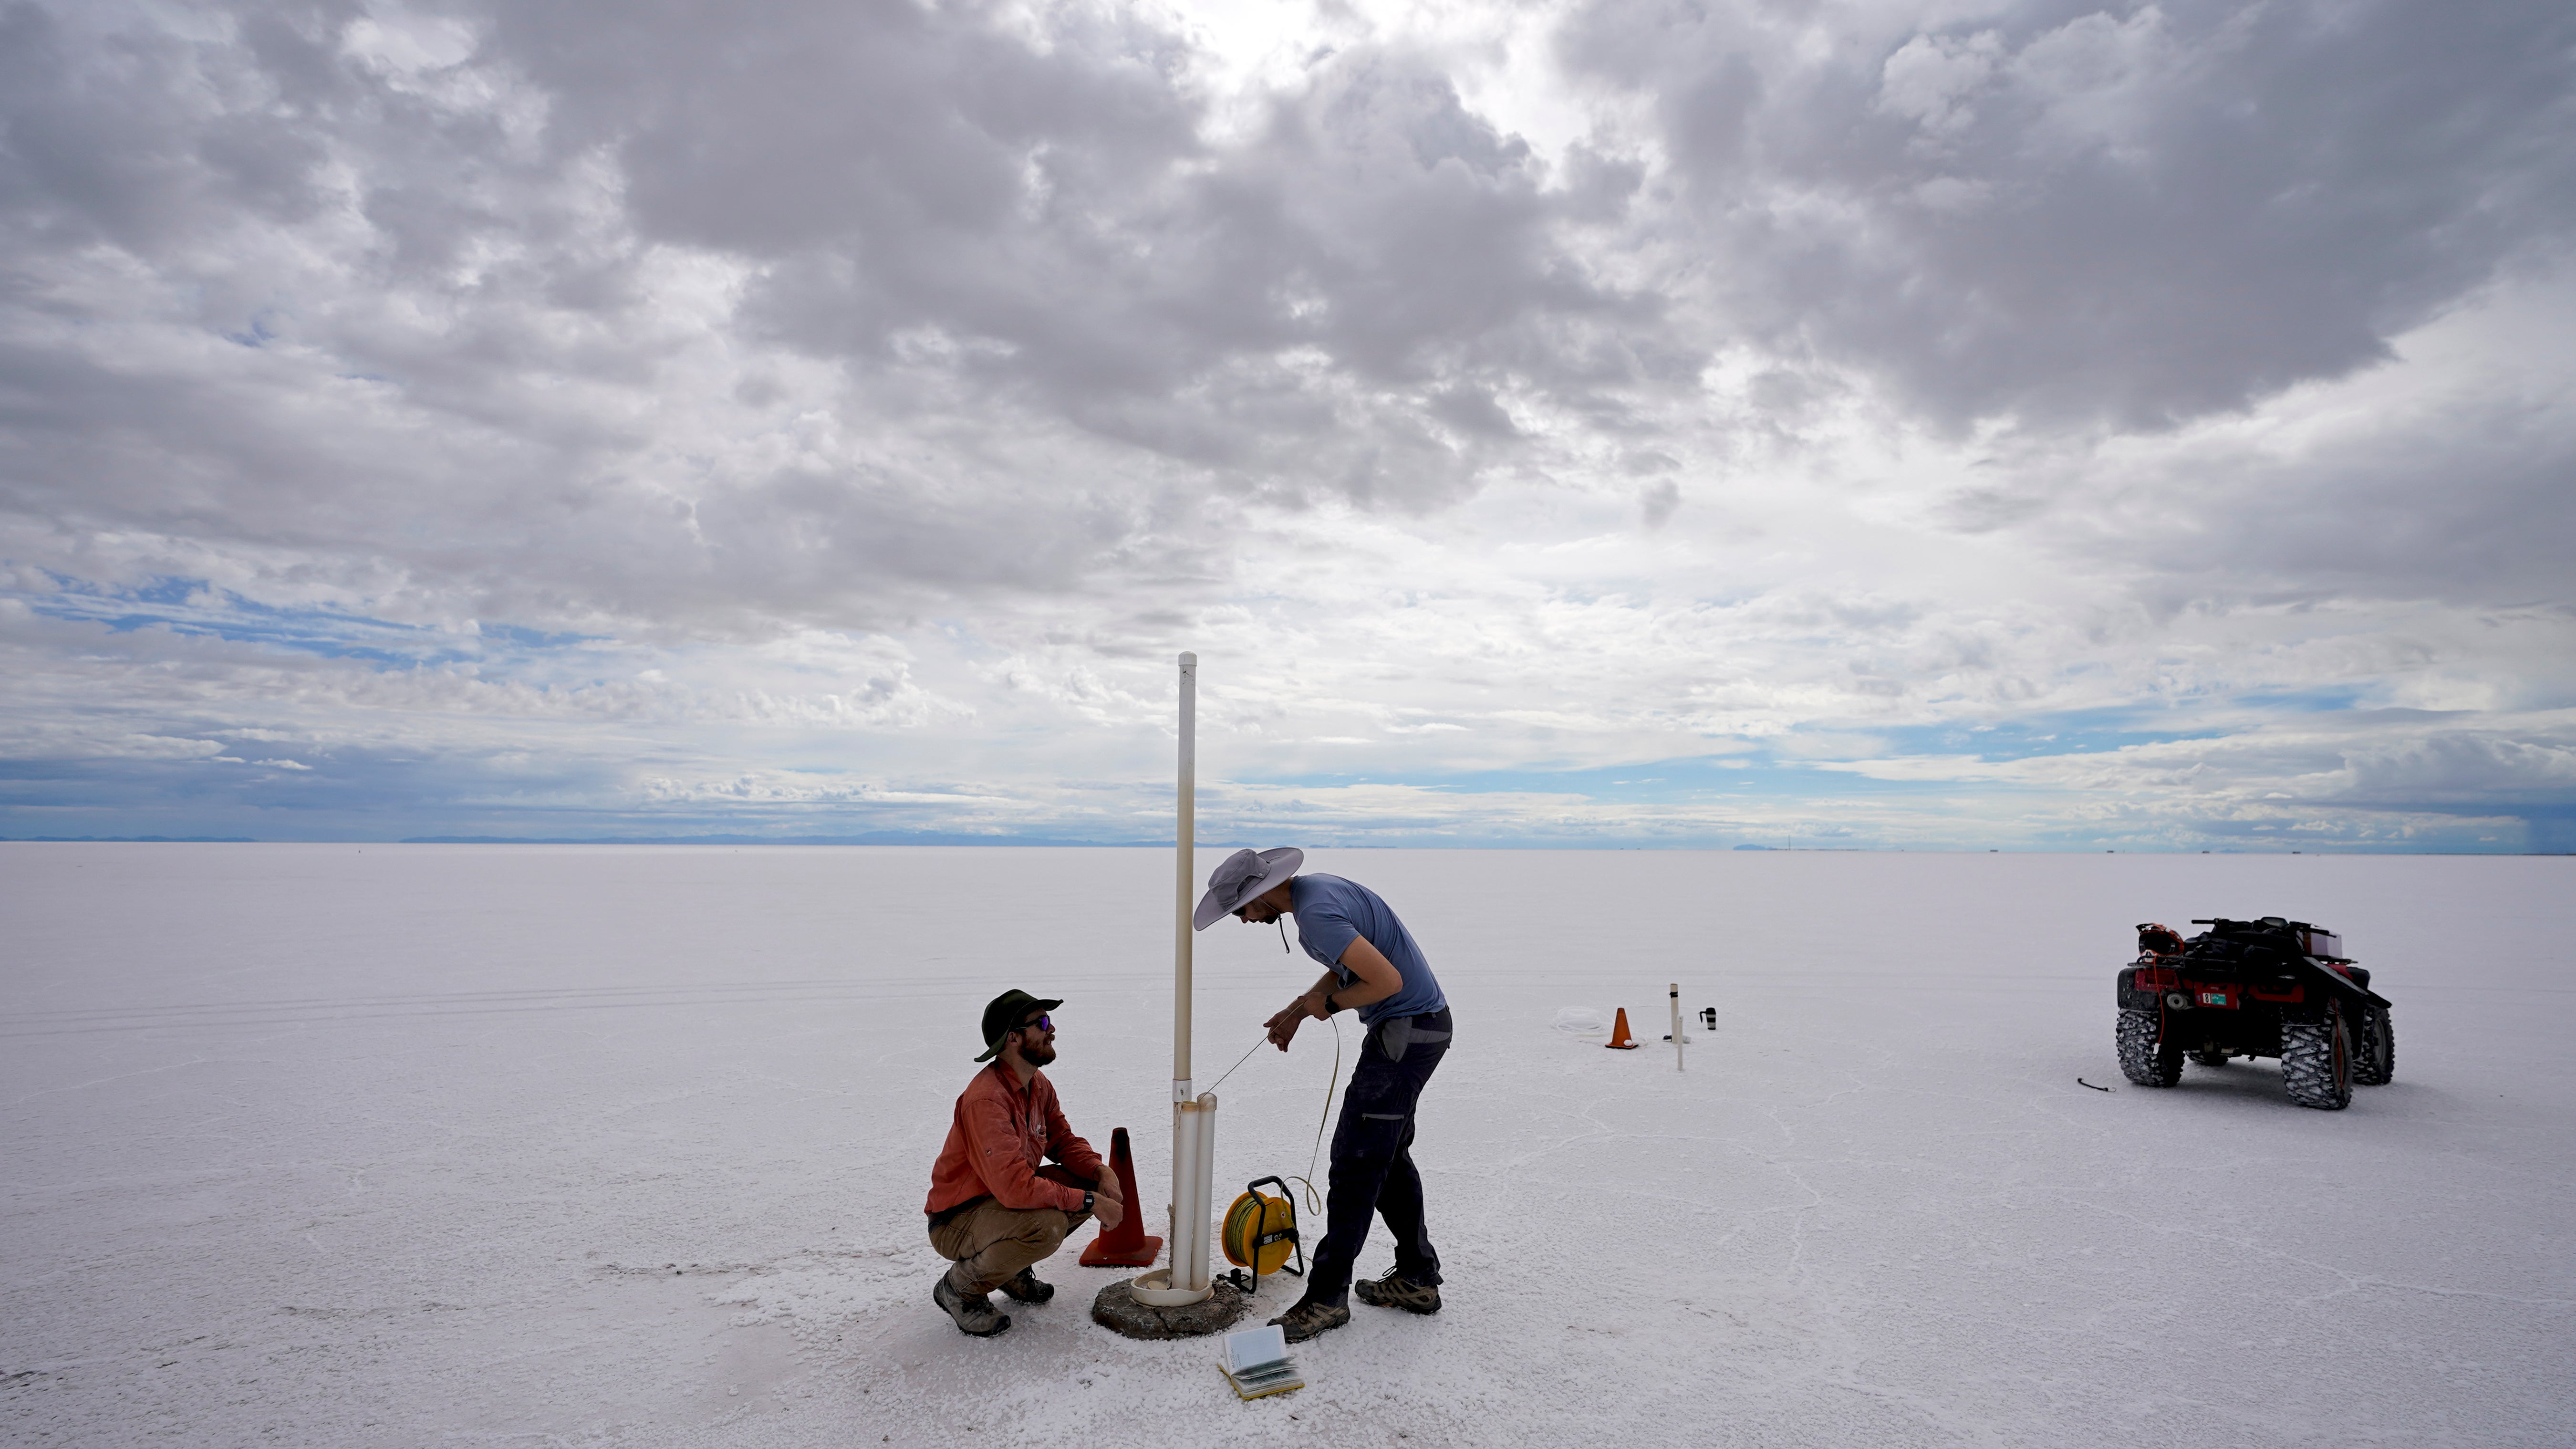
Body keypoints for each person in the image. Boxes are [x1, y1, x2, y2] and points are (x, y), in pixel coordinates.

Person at [1195, 847, 1451, 1343]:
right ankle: (1418, 1277)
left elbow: (1386, 980)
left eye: (1241, 910)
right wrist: (1298, 1008)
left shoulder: (1315, 913)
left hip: (1407, 1034)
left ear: (1260, 894)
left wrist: (1328, 1004)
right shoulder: (1317, 893)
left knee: (1357, 1163)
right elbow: (1351, 963)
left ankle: (1326, 1298)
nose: (1244, 920)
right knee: (1388, 1157)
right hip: (1416, 1030)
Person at [922, 989, 1126, 1337]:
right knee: (1046, 1225)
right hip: (957, 1219)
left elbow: (1062, 1140)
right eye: (1042, 1022)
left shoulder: (1037, 1084)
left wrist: (1099, 1171)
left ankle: (1008, 1270)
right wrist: (1092, 1203)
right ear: (1013, 1037)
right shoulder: (986, 1100)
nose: (1052, 1029)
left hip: (999, 1205)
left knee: (1084, 1184)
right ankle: (959, 1288)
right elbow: (1017, 1188)